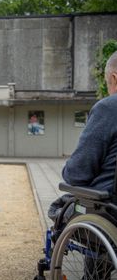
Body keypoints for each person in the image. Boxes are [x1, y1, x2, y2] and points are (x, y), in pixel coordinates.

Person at [48, 51, 117, 222]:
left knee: (58, 207)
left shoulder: (108, 108)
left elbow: (77, 174)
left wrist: (69, 171)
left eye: (108, 84)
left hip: (109, 212)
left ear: (114, 78)